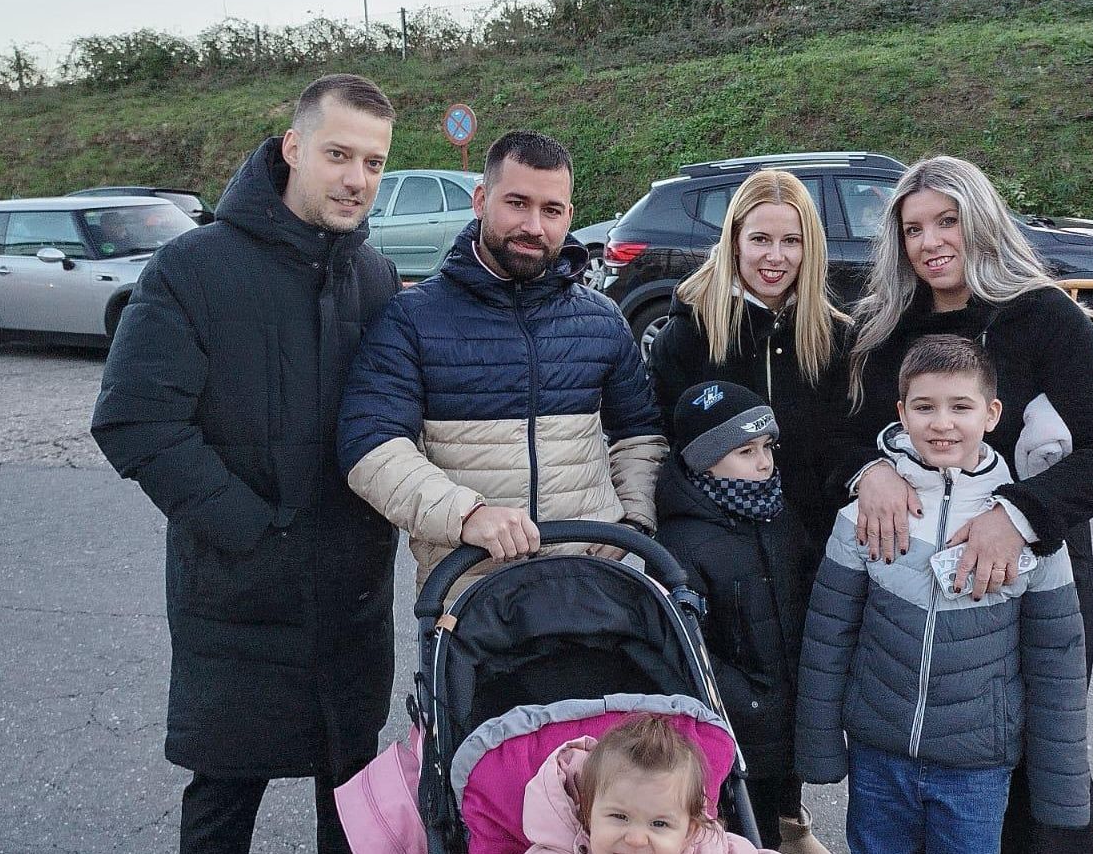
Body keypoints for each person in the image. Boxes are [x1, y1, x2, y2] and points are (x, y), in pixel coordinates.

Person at [90, 74, 401, 854]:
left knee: (353, 795)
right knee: (226, 790)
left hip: (353, 596)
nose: (356, 178)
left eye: (373, 162)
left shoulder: (376, 274)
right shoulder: (189, 268)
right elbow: (136, 421)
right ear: (293, 148)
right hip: (239, 592)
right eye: (338, 154)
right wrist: (253, 533)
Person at [827, 155, 1093, 853]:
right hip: (906, 601)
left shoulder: (1044, 317)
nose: (932, 241)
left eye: (948, 222)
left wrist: (1016, 517)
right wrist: (866, 472)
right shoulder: (881, 328)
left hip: (1027, 587)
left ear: (983, 222)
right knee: (912, 782)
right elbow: (837, 439)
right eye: (914, 229)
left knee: (1037, 765)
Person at [338, 130, 666, 596]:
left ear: (569, 216)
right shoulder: (412, 319)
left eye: (551, 210)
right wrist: (467, 515)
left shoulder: (601, 319)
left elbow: (639, 431)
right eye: (517, 203)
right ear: (480, 200)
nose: (534, 226)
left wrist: (631, 519)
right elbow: (371, 447)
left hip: (589, 588)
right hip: (469, 596)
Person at [797, 335, 1091, 854]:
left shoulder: (1030, 526)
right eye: (924, 407)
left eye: (961, 407)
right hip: (879, 756)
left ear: (992, 413)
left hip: (977, 767)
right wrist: (819, 748)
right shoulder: (862, 516)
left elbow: (1057, 663)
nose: (941, 423)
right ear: (901, 413)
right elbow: (828, 637)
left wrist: (1060, 789)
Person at [651, 381, 828, 854]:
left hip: (786, 694)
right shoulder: (681, 543)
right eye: (745, 451)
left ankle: (793, 831)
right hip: (739, 711)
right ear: (704, 460)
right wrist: (742, 699)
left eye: (767, 446)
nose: (764, 462)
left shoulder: (778, 512)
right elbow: (685, 643)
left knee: (785, 786)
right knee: (745, 814)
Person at [646, 169, 854, 555]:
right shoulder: (687, 333)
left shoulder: (836, 335)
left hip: (817, 542)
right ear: (736, 242)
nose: (776, 257)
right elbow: (666, 446)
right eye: (760, 239)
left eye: (791, 241)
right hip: (721, 549)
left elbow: (846, 439)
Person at [522, 714, 776, 854]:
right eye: (619, 816)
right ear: (588, 814)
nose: (635, 839)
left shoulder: (707, 848)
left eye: (659, 823)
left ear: (688, 831)